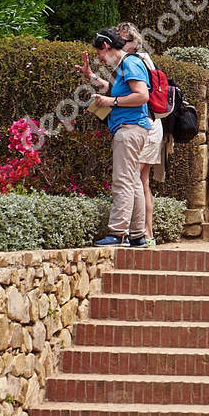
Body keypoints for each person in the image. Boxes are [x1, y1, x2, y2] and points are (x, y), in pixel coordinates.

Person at [82, 28, 153, 246]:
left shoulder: (130, 63)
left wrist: (110, 103)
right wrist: (91, 77)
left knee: (123, 181)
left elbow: (142, 95)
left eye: (99, 54)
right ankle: (138, 235)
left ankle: (118, 232)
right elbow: (114, 89)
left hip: (129, 128)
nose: (100, 59)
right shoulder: (124, 66)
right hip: (133, 128)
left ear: (106, 46)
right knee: (133, 182)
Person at [116, 21, 164, 247]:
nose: (118, 44)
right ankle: (144, 233)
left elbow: (142, 96)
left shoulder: (135, 62)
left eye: (122, 40)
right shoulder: (139, 60)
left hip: (146, 124)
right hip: (150, 124)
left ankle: (141, 233)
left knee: (137, 179)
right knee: (140, 179)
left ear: (133, 43)